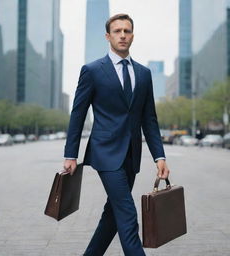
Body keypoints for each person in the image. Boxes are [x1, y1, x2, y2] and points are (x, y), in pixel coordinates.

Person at [63, 13, 170, 256]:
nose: (123, 35)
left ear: (132, 35)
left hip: (131, 155)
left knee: (112, 214)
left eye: (127, 31)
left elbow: (149, 119)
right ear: (108, 36)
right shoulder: (91, 70)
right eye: (117, 31)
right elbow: (78, 114)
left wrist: (159, 156)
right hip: (105, 153)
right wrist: (71, 154)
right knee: (127, 213)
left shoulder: (144, 74)